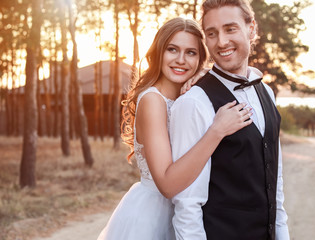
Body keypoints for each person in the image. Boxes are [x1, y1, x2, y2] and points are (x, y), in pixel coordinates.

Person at [97, 17, 253, 240]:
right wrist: (216, 131)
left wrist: (204, 76)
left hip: (190, 212)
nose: (181, 60)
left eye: (191, 53)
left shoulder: (193, 95)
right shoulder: (152, 100)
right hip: (153, 218)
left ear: (200, 58)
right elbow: (168, 185)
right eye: (172, 49)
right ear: (159, 52)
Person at [170, 1, 290, 240]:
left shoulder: (266, 92)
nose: (221, 42)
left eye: (230, 29)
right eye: (212, 33)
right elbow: (187, 205)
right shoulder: (194, 102)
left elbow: (275, 181)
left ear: (251, 29)